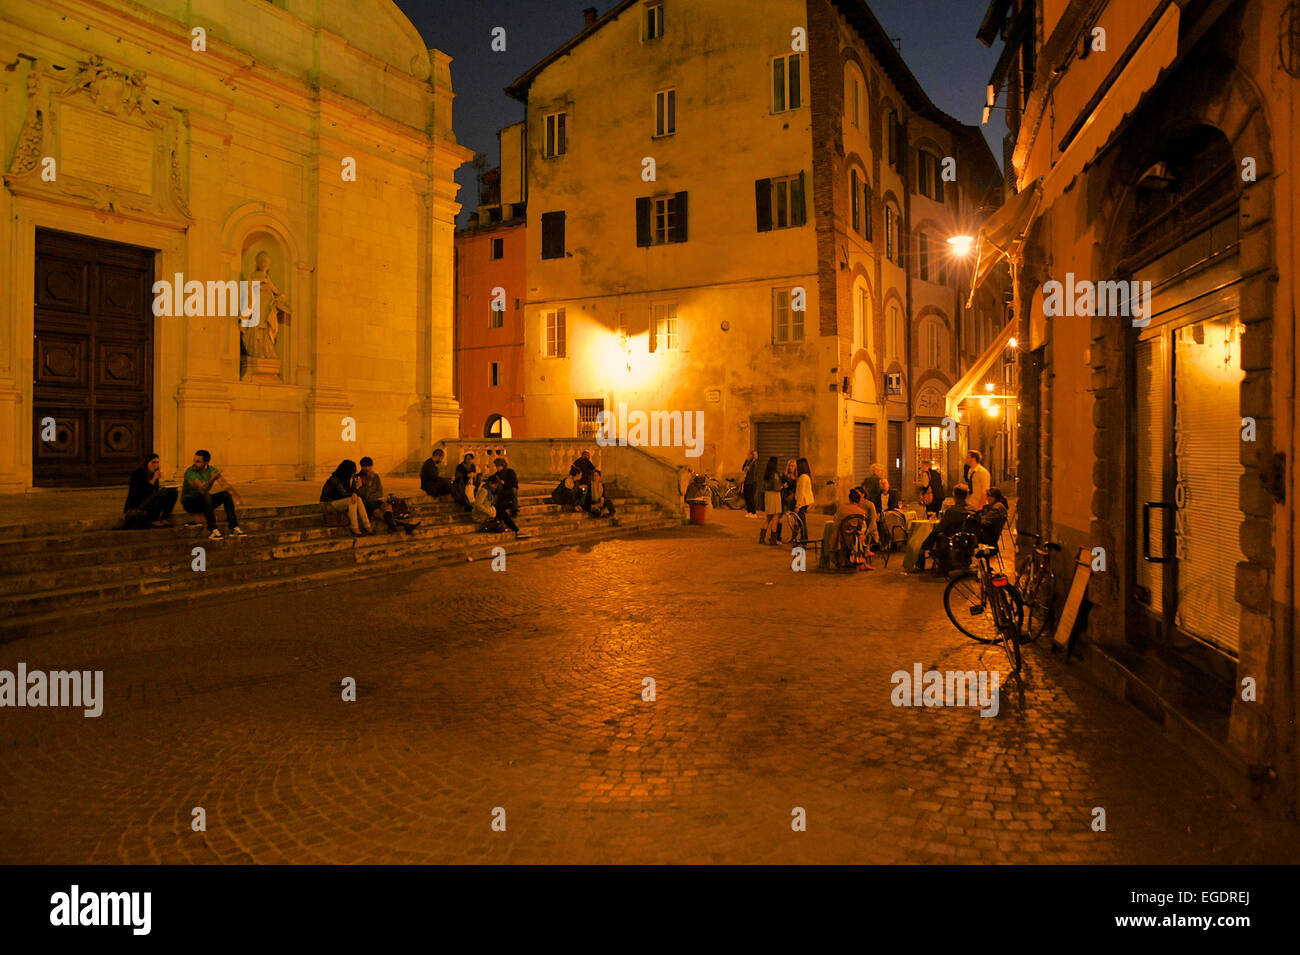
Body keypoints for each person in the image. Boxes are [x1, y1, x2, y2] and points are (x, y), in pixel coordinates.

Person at [180, 449, 244, 540]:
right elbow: (202, 490)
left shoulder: (212, 470)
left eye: (198, 461)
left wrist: (237, 496)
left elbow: (225, 485)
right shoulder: (190, 472)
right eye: (194, 460)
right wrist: (212, 479)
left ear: (206, 462)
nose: (194, 463)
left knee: (226, 495)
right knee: (206, 495)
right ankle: (213, 530)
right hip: (190, 503)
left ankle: (234, 527)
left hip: (205, 502)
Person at [915, 484, 975, 573]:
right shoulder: (973, 510)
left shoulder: (952, 511)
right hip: (968, 541)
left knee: (937, 534)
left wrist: (924, 545)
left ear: (954, 496)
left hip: (952, 540)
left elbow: (939, 528)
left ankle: (922, 558)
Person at [357, 457, 419, 533]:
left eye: (369, 466)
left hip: (375, 501)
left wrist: (371, 495)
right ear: (361, 467)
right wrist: (369, 485)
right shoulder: (359, 477)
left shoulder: (375, 476)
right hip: (366, 503)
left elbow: (380, 492)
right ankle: (406, 526)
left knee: (388, 506)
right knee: (378, 512)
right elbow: (363, 495)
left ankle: (400, 527)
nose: (367, 468)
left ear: (371, 466)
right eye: (364, 466)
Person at [123, 452, 177, 528]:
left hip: (149, 502)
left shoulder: (153, 474)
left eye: (158, 462)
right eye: (153, 462)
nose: (156, 465)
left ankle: (164, 518)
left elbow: (154, 491)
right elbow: (141, 493)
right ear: (147, 463)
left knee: (173, 491)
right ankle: (154, 520)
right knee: (161, 494)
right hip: (138, 504)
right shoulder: (138, 474)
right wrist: (153, 479)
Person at [320, 459, 371, 536]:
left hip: (338, 502)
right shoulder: (335, 479)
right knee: (352, 500)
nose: (353, 474)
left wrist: (355, 488)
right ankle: (354, 528)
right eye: (352, 472)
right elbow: (344, 494)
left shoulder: (345, 479)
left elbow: (351, 494)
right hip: (327, 504)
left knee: (358, 499)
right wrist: (356, 488)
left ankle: (367, 525)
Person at [829, 489, 876, 570]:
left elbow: (836, 523)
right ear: (859, 500)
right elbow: (861, 527)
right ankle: (862, 562)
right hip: (855, 540)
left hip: (841, 538)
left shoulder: (841, 509)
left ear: (849, 499)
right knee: (861, 536)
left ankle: (841, 561)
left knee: (832, 533)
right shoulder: (861, 512)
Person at [774, 459, 798, 544]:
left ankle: (794, 537)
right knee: (780, 516)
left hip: (793, 498)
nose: (791, 467)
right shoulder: (785, 476)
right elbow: (780, 485)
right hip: (785, 497)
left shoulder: (797, 477)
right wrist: (783, 486)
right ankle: (778, 537)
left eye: (793, 466)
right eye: (790, 466)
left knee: (795, 517)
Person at [759, 457, 781, 545]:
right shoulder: (775, 474)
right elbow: (776, 487)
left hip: (768, 495)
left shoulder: (766, 474)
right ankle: (773, 539)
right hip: (774, 496)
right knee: (775, 517)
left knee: (768, 517)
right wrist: (782, 487)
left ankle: (761, 538)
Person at [794, 457, 815, 539]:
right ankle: (803, 537)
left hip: (802, 502)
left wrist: (798, 505)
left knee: (802, 521)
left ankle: (804, 538)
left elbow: (801, 492)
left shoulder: (803, 477)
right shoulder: (806, 476)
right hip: (804, 501)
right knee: (801, 520)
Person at [740, 450, 760, 518]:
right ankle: (749, 511)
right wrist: (746, 461)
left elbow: (753, 474)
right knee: (747, 497)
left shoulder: (754, 462)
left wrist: (750, 481)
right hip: (746, 481)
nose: (747, 456)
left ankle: (753, 512)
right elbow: (743, 468)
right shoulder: (748, 462)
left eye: (748, 455)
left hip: (751, 482)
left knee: (751, 497)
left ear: (751, 455)